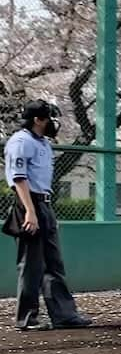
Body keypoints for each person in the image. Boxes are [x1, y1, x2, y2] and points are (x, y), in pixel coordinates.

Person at [4, 100, 92, 331]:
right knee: (31, 264)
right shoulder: (21, 142)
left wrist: (46, 213)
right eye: (49, 118)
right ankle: (27, 318)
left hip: (44, 203)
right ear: (38, 120)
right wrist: (31, 212)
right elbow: (19, 178)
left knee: (54, 263)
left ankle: (64, 315)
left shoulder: (42, 143)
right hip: (29, 203)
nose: (54, 123)